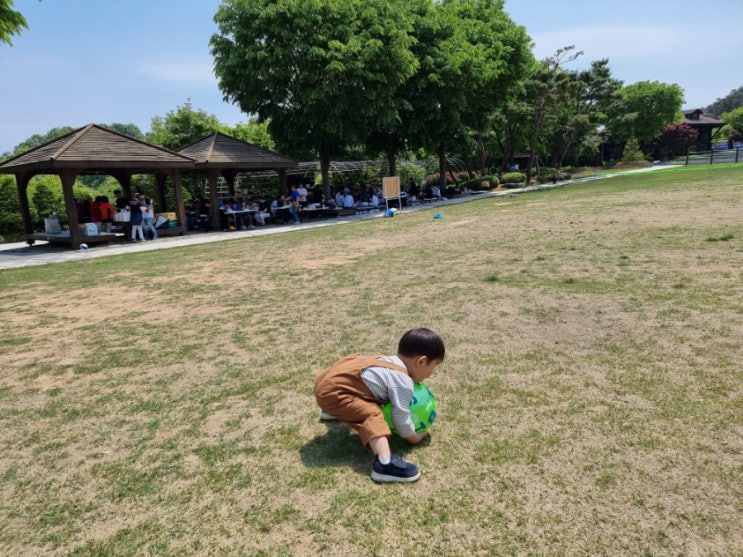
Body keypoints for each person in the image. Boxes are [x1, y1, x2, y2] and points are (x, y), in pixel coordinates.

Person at [314, 327, 446, 483]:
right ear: (422, 361)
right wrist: (415, 437)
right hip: (333, 394)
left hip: (325, 383)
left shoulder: (387, 361)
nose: (432, 373)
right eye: (434, 366)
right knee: (372, 413)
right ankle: (384, 464)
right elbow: (400, 419)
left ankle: (334, 410)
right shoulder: (403, 382)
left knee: (367, 394)